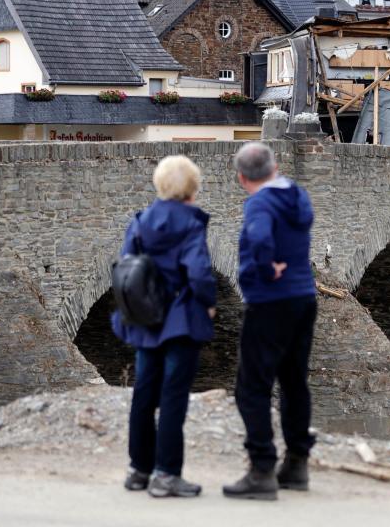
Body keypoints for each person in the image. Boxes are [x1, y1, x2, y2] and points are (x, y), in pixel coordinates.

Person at [112, 155, 217, 499]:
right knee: (173, 397)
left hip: (146, 318)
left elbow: (127, 266)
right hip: (180, 319)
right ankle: (167, 474)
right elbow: (198, 272)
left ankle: (138, 470)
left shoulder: (141, 220)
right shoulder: (190, 223)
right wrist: (209, 303)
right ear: (191, 188)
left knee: (144, 393)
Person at [223, 142, 317, 501]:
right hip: (303, 297)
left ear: (242, 177)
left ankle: (261, 469)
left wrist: (266, 266)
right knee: (294, 381)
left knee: (253, 385)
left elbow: (260, 238)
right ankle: (296, 463)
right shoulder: (297, 194)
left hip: (270, 301)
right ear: (275, 166)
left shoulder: (259, 202)